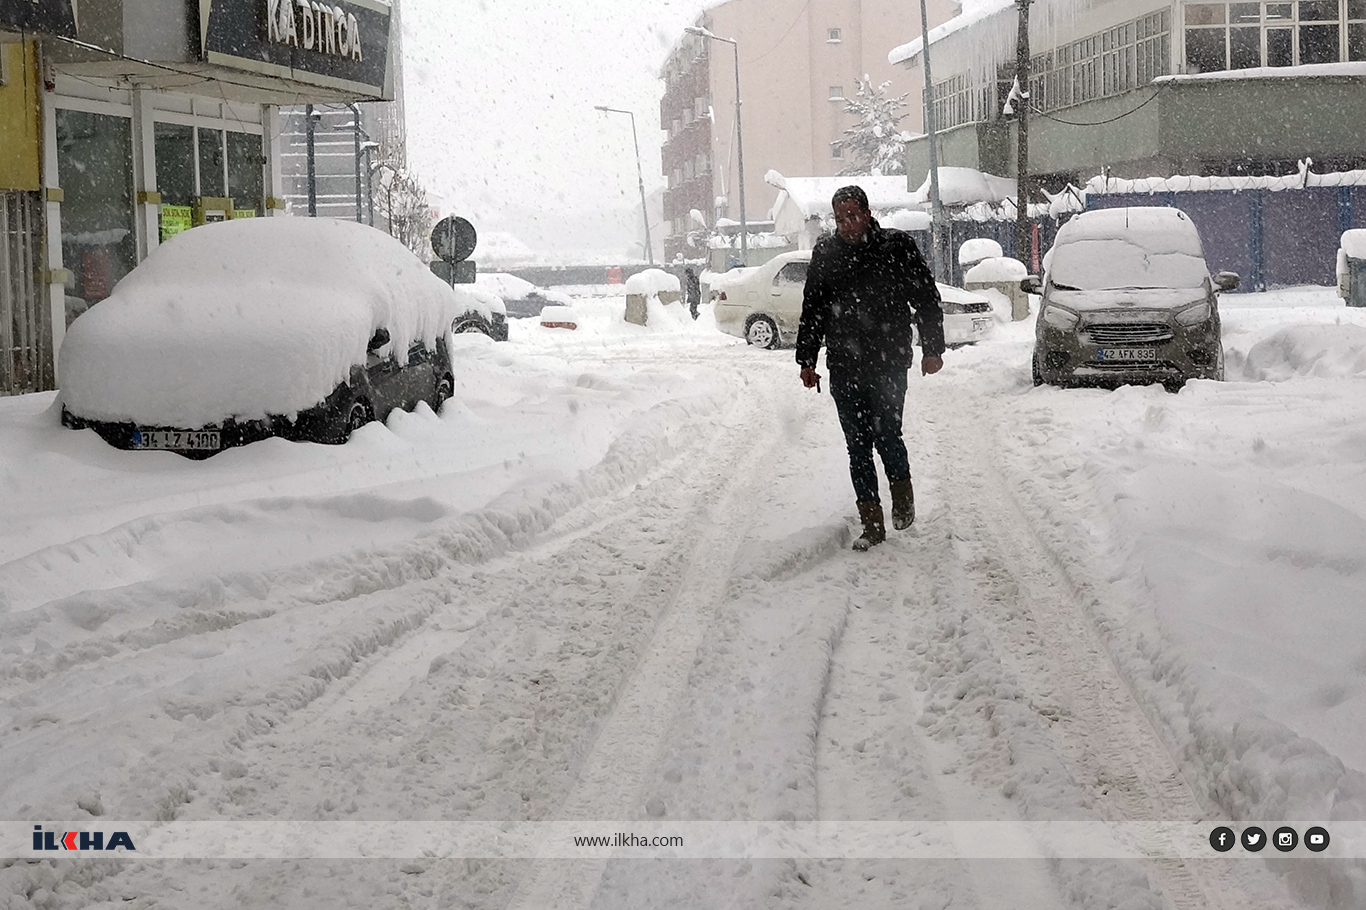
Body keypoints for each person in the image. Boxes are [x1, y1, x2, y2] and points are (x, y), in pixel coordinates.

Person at [795, 185, 944, 551]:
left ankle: (902, 496)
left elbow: (925, 297)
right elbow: (813, 309)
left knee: (887, 435)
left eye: (853, 215)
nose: (847, 225)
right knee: (857, 447)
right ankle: (872, 524)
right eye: (840, 218)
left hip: (888, 362)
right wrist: (807, 360)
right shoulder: (826, 254)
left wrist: (932, 348)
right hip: (844, 365)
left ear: (867, 212)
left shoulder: (896, 247)